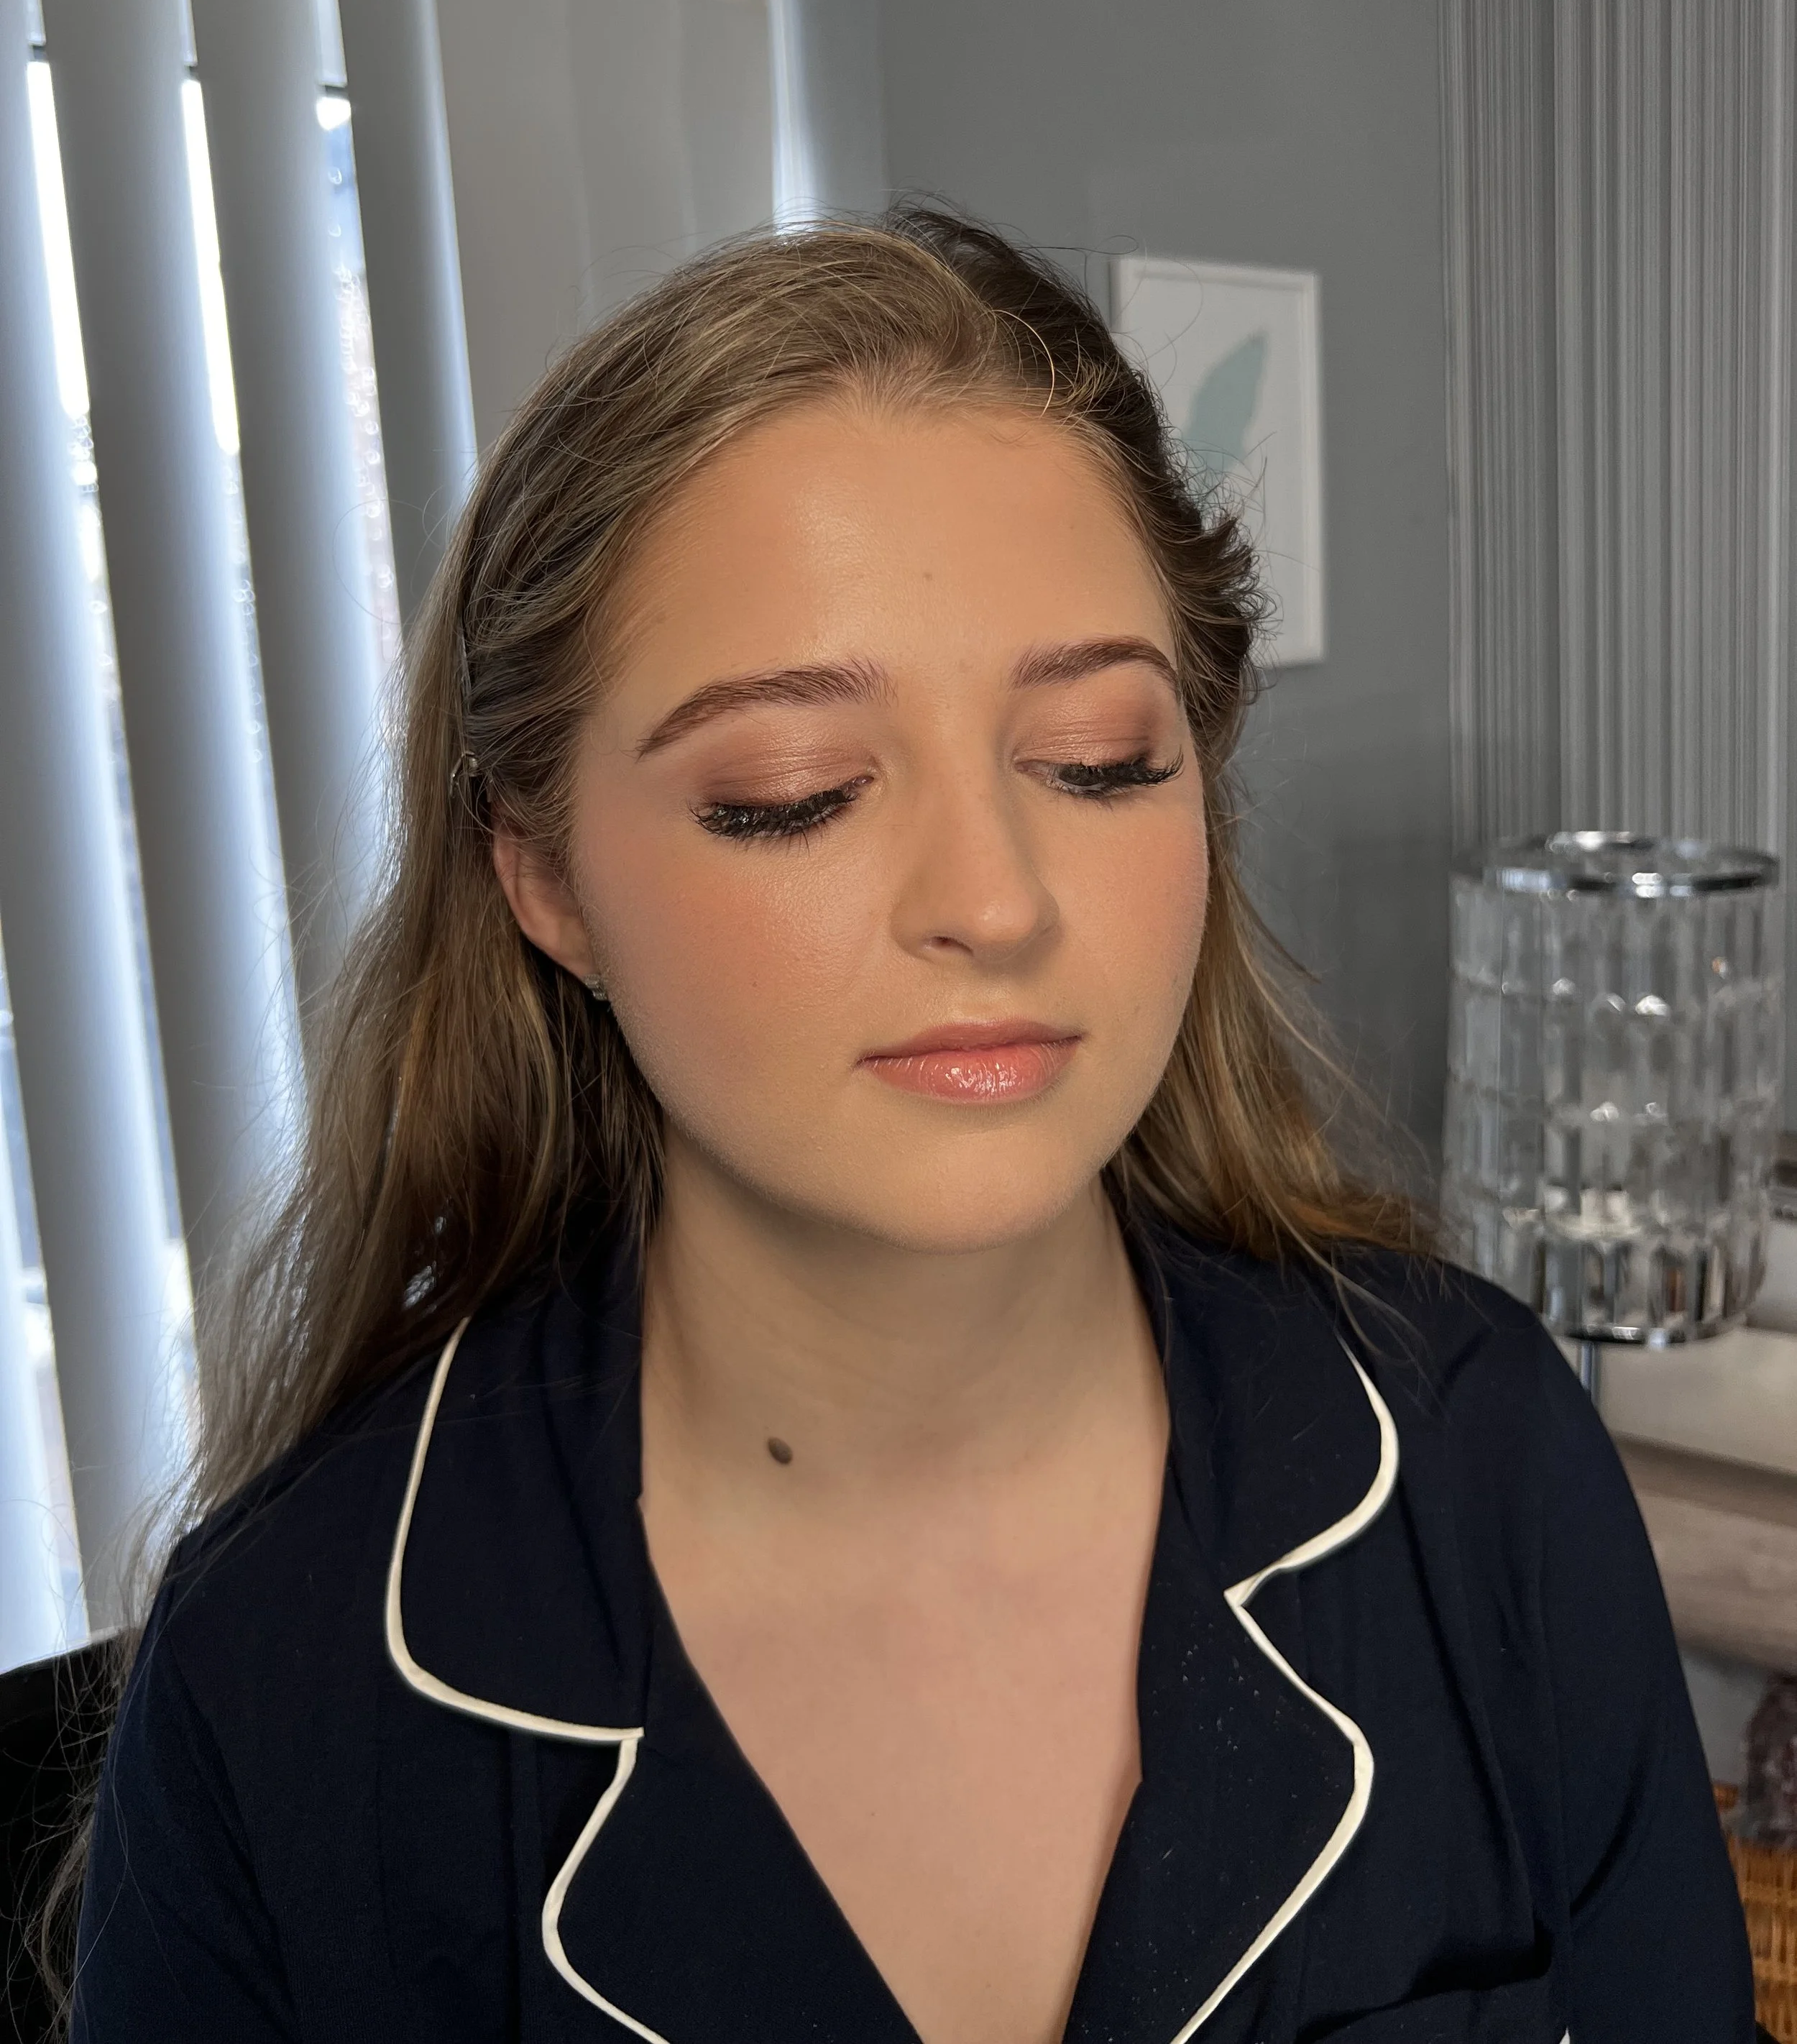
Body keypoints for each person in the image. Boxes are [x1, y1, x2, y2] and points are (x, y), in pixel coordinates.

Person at [64, 208, 1751, 2043]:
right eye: (793, 796)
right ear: (542, 874)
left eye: (1098, 759)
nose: (994, 899)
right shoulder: (289, 1675)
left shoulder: (1473, 1457)